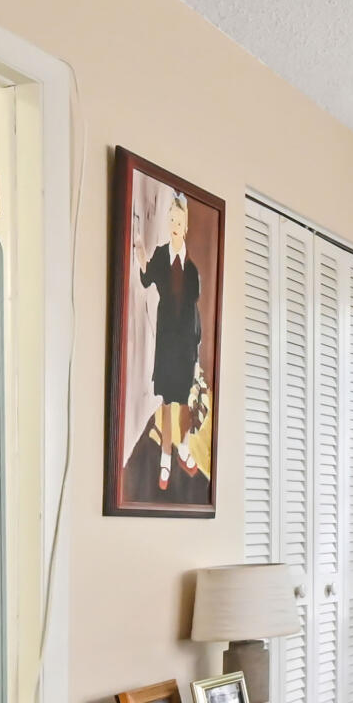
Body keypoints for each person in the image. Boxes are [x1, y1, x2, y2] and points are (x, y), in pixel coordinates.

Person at [137, 195, 204, 490]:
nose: (175, 225)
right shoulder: (162, 257)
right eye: (172, 220)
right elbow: (146, 279)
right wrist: (141, 253)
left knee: (185, 401)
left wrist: (195, 350)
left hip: (186, 344)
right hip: (166, 340)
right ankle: (165, 458)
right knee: (166, 401)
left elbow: (194, 310)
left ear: (186, 226)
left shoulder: (192, 270)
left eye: (180, 221)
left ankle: (184, 448)